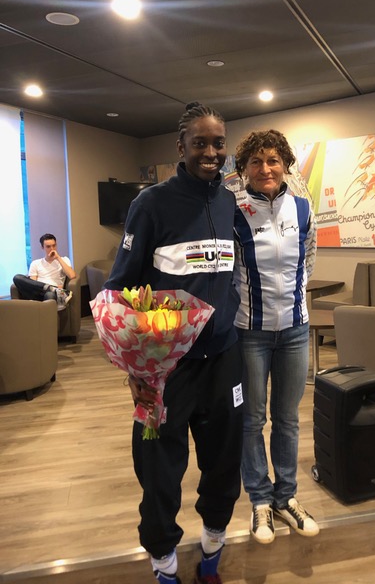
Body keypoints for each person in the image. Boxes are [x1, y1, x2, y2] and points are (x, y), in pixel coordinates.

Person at [104, 102, 243, 584]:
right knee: (159, 467)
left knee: (224, 461)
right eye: (200, 143)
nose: (211, 152)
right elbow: (119, 289)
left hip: (223, 357)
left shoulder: (227, 202)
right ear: (180, 146)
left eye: (218, 143)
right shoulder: (151, 204)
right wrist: (136, 366)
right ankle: (163, 562)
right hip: (165, 367)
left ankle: (213, 547)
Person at [233, 129, 319, 544]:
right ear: (244, 169)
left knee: (287, 419)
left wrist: (295, 301)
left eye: (272, 161)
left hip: (295, 331)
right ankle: (260, 501)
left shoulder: (302, 208)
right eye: (256, 161)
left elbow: (310, 258)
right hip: (250, 331)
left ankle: (286, 497)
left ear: (284, 165)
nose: (265, 169)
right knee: (252, 420)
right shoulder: (234, 212)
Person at [13, 233, 76, 311]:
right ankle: (50, 288)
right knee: (17, 277)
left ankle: (51, 290)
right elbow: (33, 284)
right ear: (42, 247)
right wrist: (48, 288)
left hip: (53, 295)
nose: (52, 249)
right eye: (48, 246)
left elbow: (72, 275)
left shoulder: (64, 260)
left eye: (54, 245)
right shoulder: (36, 263)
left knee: (49, 294)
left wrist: (58, 258)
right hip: (38, 293)